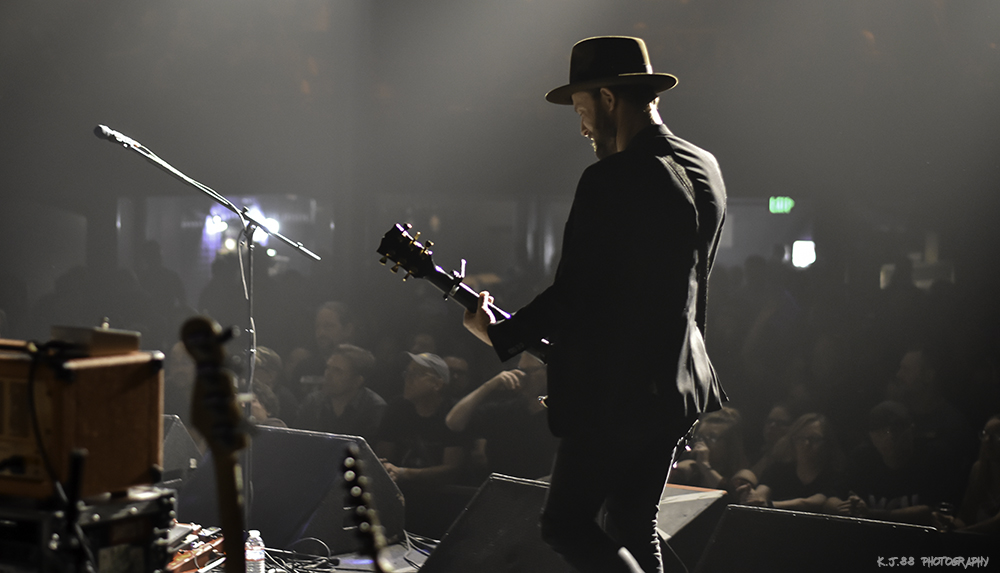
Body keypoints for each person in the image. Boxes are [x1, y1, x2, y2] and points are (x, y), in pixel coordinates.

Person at [463, 36, 728, 573]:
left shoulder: (613, 176)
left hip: (623, 392)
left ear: (608, 99)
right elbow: (684, 287)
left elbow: (576, 290)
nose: (582, 127)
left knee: (564, 523)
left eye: (583, 111)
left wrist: (500, 333)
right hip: (682, 383)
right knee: (633, 522)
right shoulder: (706, 167)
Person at [445, 353, 557, 481]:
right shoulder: (508, 410)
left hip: (537, 496)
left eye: (528, 371)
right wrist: (490, 385)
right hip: (499, 493)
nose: (523, 376)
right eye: (520, 370)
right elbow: (453, 422)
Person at [294, 344, 386, 443]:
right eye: (328, 368)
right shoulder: (312, 402)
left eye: (337, 371)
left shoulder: (374, 408)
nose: (328, 375)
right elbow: (297, 441)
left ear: (357, 381)